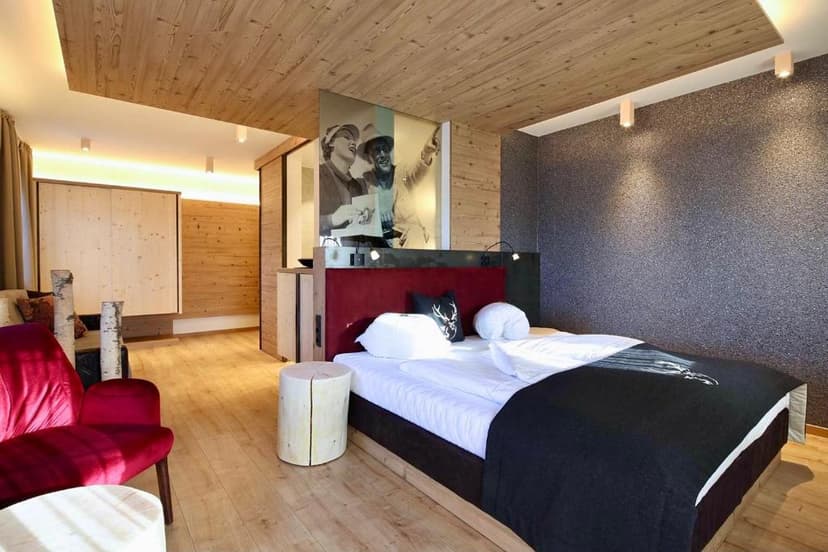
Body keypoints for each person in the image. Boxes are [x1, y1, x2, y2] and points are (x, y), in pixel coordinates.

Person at [356, 124, 439, 247]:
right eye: (377, 151)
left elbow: (417, 171)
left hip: (410, 240)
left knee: (416, 234)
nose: (383, 154)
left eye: (385, 148)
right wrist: (377, 217)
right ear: (369, 158)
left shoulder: (402, 173)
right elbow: (359, 220)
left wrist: (427, 152)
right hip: (381, 245)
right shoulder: (363, 184)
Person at [318, 124, 367, 236]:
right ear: (330, 143)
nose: (353, 143)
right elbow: (303, 222)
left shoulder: (359, 186)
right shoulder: (318, 174)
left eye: (354, 140)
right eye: (346, 137)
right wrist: (331, 219)